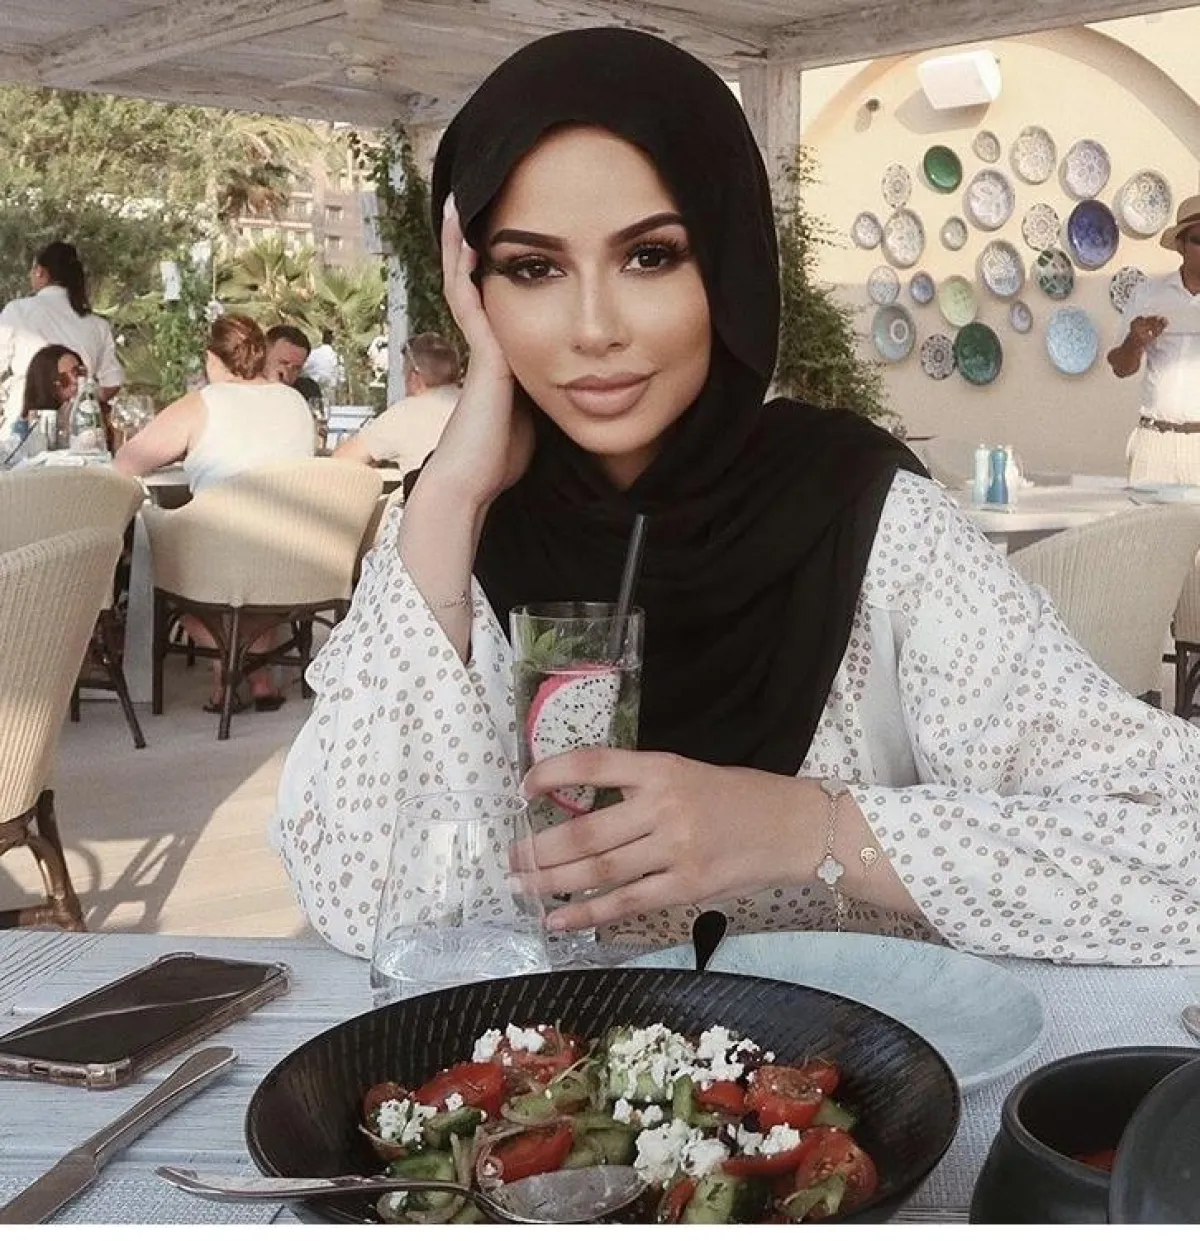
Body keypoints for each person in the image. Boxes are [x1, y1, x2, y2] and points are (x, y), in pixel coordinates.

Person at [271, 29, 1200, 964]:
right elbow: (362, 899)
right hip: (541, 1056)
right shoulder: (460, 534)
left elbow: (1180, 844)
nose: (593, 328)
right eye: (533, 268)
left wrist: (807, 827)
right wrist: (448, 497)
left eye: (650, 256)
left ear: (728, 262)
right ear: (473, 290)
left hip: (851, 1051)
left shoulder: (859, 517)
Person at [114, 313, 316, 711]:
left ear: (212, 358)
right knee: (256, 584)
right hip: (292, 557)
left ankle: (229, 669)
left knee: (157, 559)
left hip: (220, 557)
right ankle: (259, 676)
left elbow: (126, 462)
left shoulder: (203, 404)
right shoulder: (295, 402)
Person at [1107, 194, 1200, 485]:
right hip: (1155, 442)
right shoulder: (1149, 294)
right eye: (1198, 240)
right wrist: (1134, 342)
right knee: (1146, 516)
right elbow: (1120, 368)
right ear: (1180, 246)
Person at [0, 241, 123, 432]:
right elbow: (112, 382)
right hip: (81, 429)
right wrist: (84, 398)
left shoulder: (17, 311)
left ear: (39, 272)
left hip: (25, 423)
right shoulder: (98, 325)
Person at [333, 332, 461, 471]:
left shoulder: (406, 413)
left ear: (414, 377)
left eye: (404, 374)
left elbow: (342, 460)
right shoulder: (473, 406)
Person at [302, 327, 341, 398]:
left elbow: (304, 368)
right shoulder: (336, 356)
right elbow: (340, 376)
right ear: (333, 340)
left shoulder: (314, 353)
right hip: (328, 389)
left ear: (322, 339)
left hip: (312, 387)